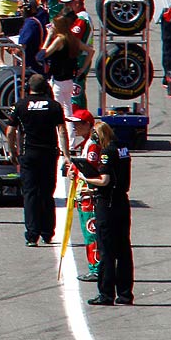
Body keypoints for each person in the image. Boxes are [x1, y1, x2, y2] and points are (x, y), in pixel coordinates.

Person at [74, 119, 134, 306]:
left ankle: (106, 293)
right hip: (122, 201)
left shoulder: (107, 152)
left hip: (107, 204)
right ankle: (125, 293)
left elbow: (105, 180)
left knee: (106, 250)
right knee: (123, 249)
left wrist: (85, 177)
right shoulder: (123, 148)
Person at [12, 73, 63, 246]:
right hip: (49, 153)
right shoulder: (54, 106)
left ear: (29, 88)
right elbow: (62, 131)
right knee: (47, 193)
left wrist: (13, 151)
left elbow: (10, 131)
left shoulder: (20, 105)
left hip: (29, 153)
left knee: (31, 194)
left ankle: (32, 234)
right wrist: (67, 154)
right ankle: (48, 232)